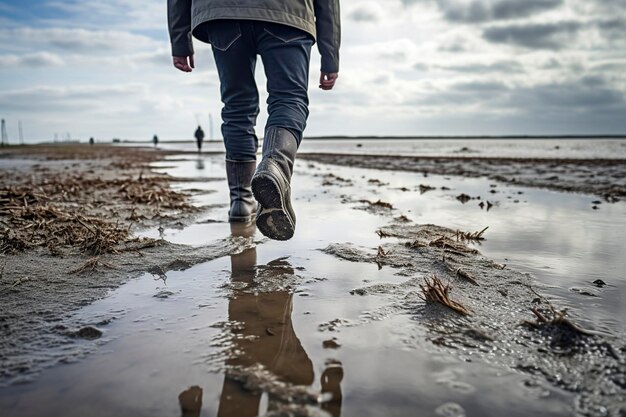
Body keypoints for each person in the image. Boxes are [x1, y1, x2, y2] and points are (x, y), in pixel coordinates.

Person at [168, 0, 340, 239]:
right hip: (288, 12)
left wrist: (179, 39)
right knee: (288, 98)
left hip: (223, 13)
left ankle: (240, 201)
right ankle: (275, 167)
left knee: (237, 106)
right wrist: (330, 53)